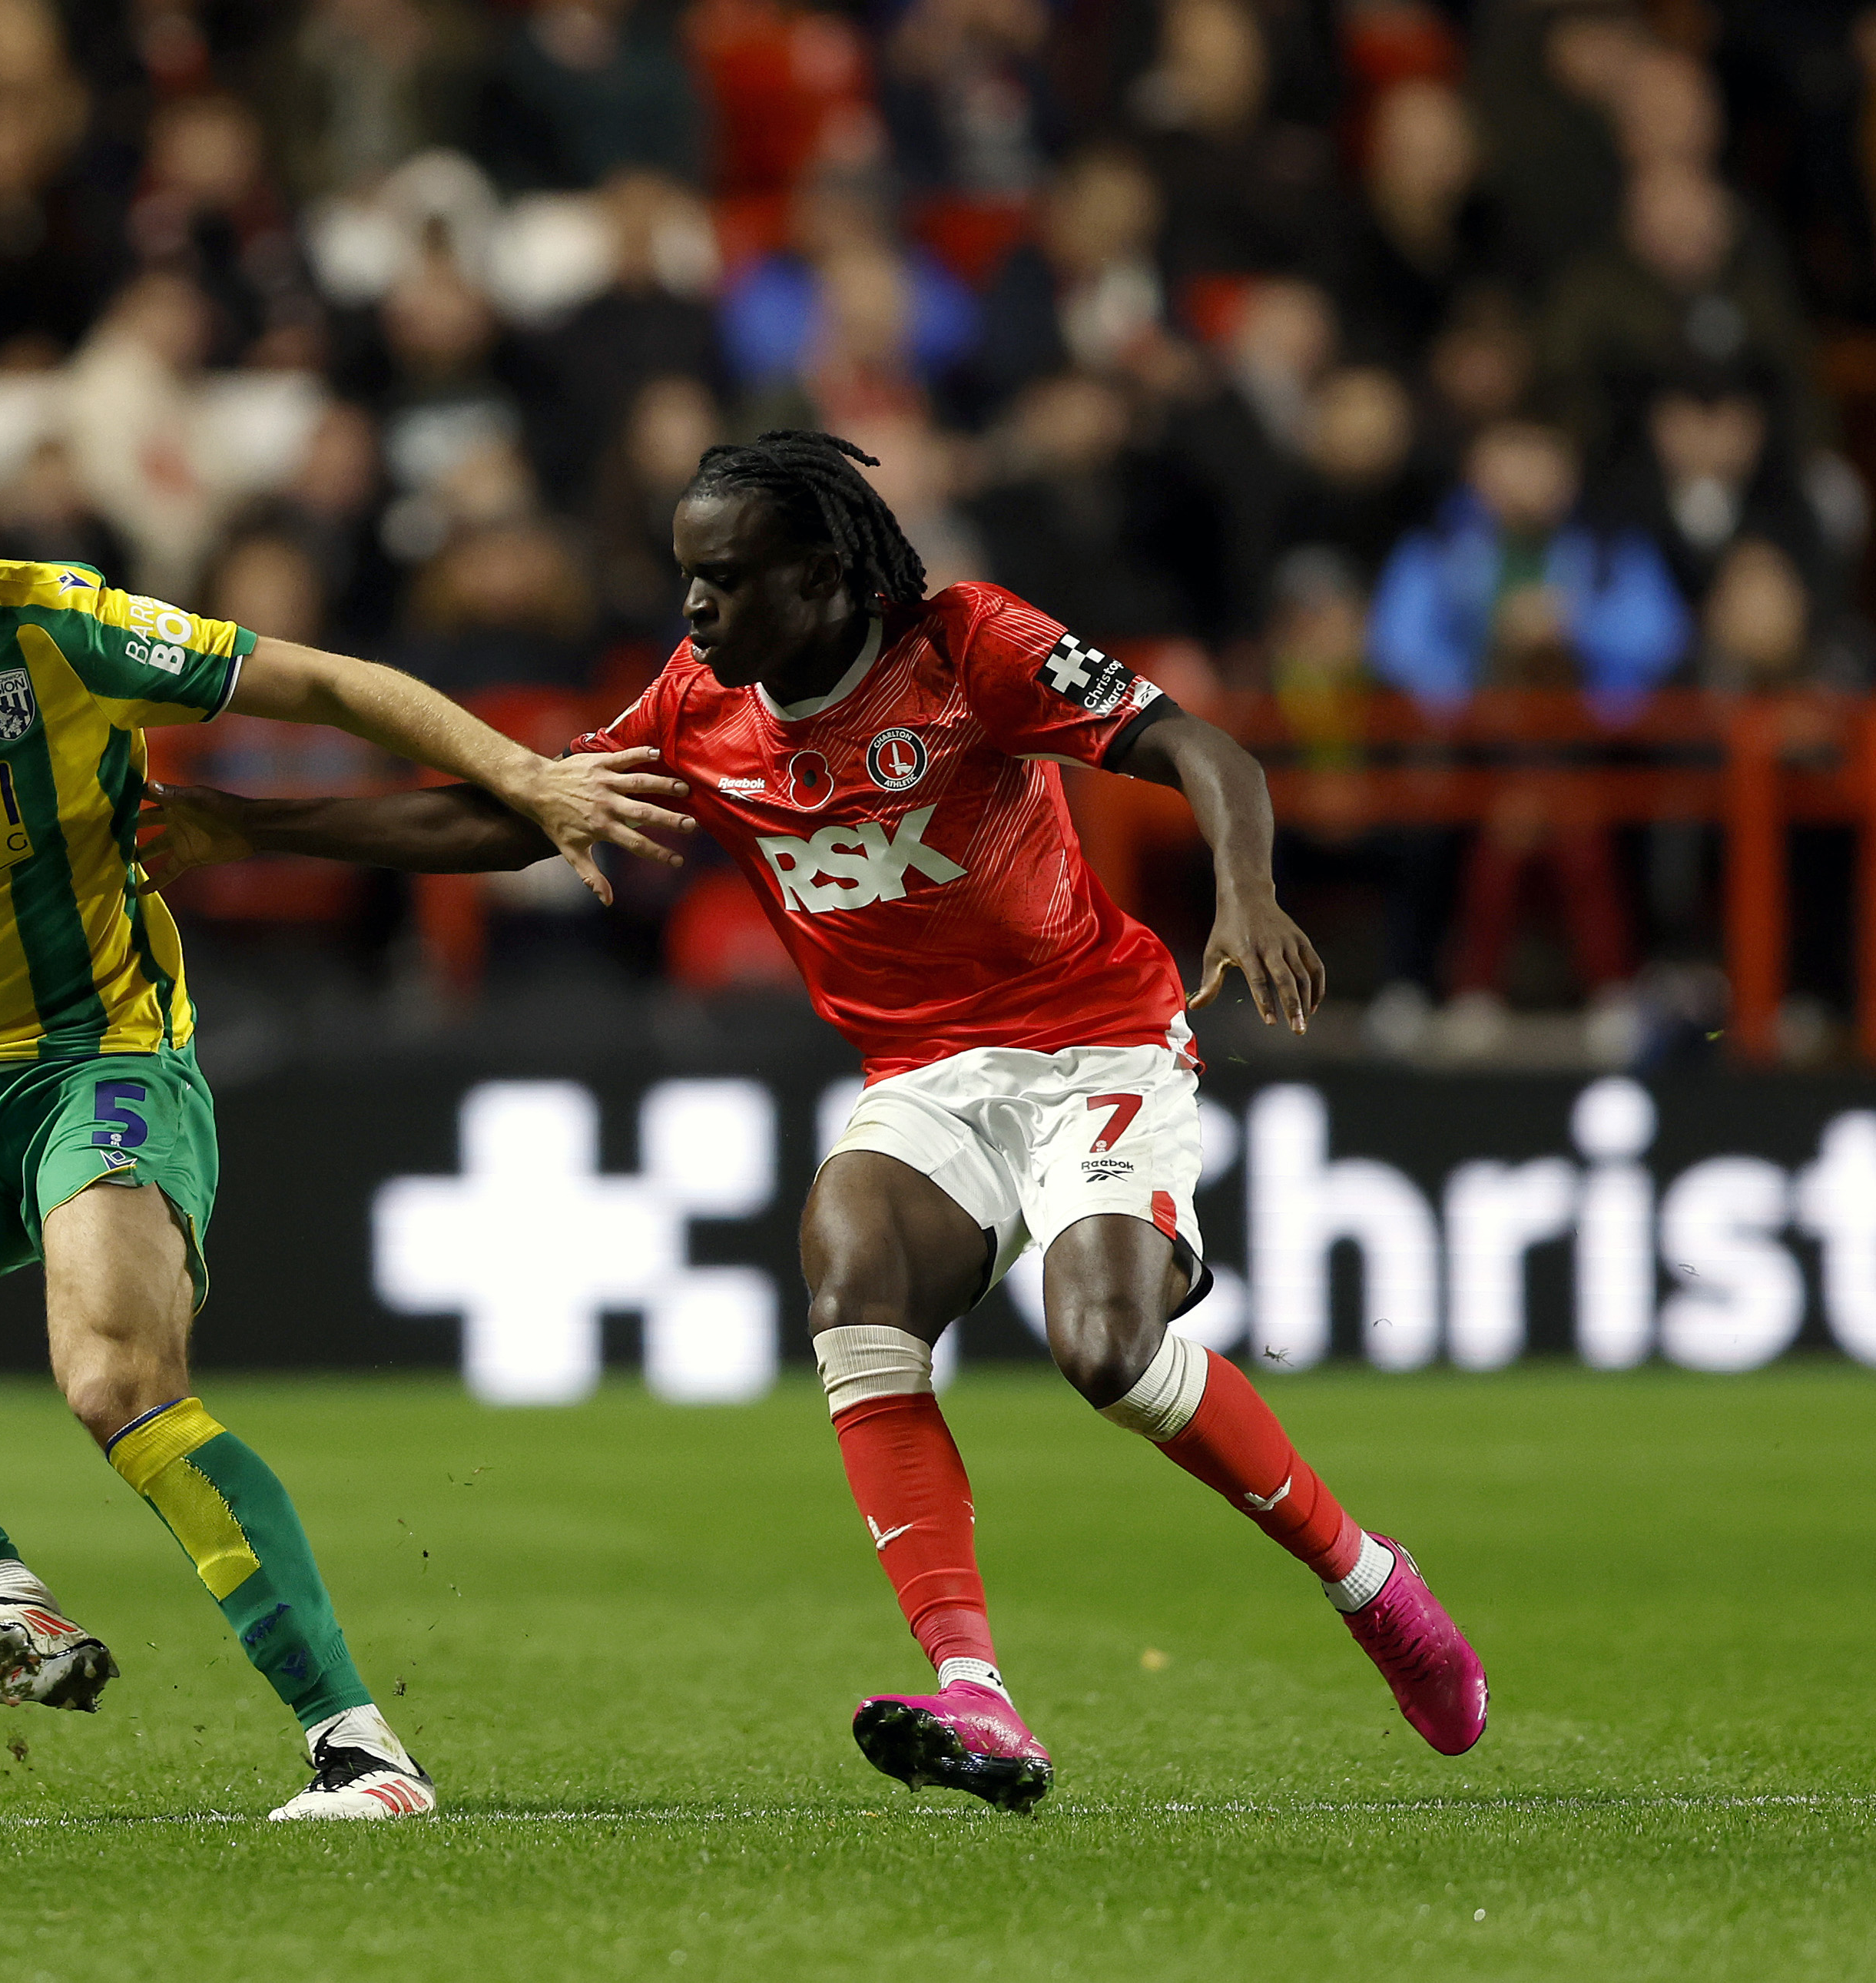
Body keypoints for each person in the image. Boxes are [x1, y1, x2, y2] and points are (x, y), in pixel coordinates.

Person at [139, 429, 1489, 1812]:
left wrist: (1246, 892)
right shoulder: (692, 705)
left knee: (1105, 1349)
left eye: (724, 579)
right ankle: (976, 1688)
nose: (693, 608)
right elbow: (517, 822)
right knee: (851, 1269)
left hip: (1096, 1043)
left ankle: (1372, 1583)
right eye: (685, 577)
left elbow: (1205, 748)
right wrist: (251, 826)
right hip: (923, 1076)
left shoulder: (968, 646)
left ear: (829, 575)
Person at [0, 393, 668, 1819]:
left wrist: (519, 771)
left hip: (109, 1063)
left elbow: (317, 682)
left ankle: (361, 1748)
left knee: (115, 1383)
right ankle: (17, 1597)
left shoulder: (60, 629)